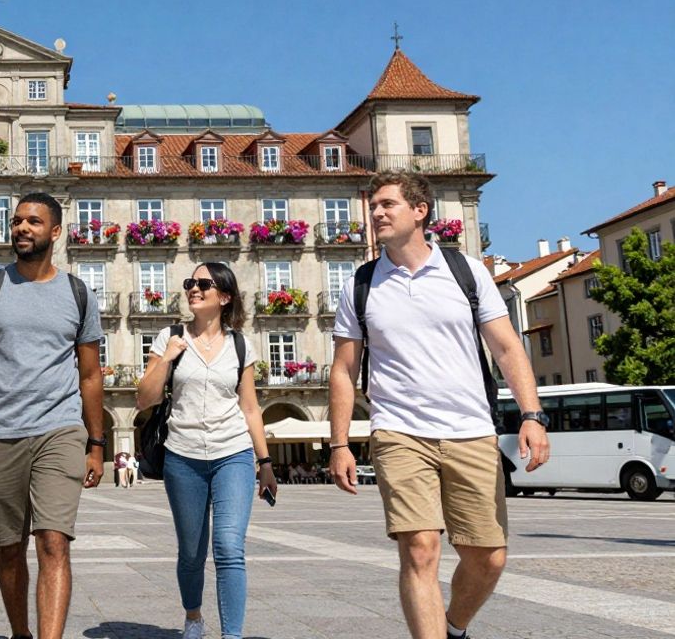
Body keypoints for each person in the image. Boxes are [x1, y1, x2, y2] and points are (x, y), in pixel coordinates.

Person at [329, 171, 551, 639]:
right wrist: (340, 443)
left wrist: (532, 415)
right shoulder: (360, 286)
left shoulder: (467, 273)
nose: (377, 213)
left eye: (388, 204)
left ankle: (453, 626)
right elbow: (345, 369)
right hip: (398, 431)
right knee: (420, 548)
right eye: (374, 207)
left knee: (488, 556)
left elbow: (508, 349)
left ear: (420, 211)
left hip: (471, 429)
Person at [0, 192, 105, 639]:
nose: (21, 228)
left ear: (55, 231)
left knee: (54, 541)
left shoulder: (78, 294)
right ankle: (21, 633)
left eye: (33, 221)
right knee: (9, 546)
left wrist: (96, 445)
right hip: (1, 432)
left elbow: (91, 374)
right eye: (17, 220)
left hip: (60, 429)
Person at [136, 262, 278, 639]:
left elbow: (250, 408)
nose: (193, 289)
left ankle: (232, 635)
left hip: (232, 454)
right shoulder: (170, 336)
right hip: (182, 457)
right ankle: (194, 617)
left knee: (229, 546)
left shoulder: (240, 345)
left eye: (203, 284)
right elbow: (144, 400)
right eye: (190, 283)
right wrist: (166, 357)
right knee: (192, 553)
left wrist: (264, 462)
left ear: (225, 296)